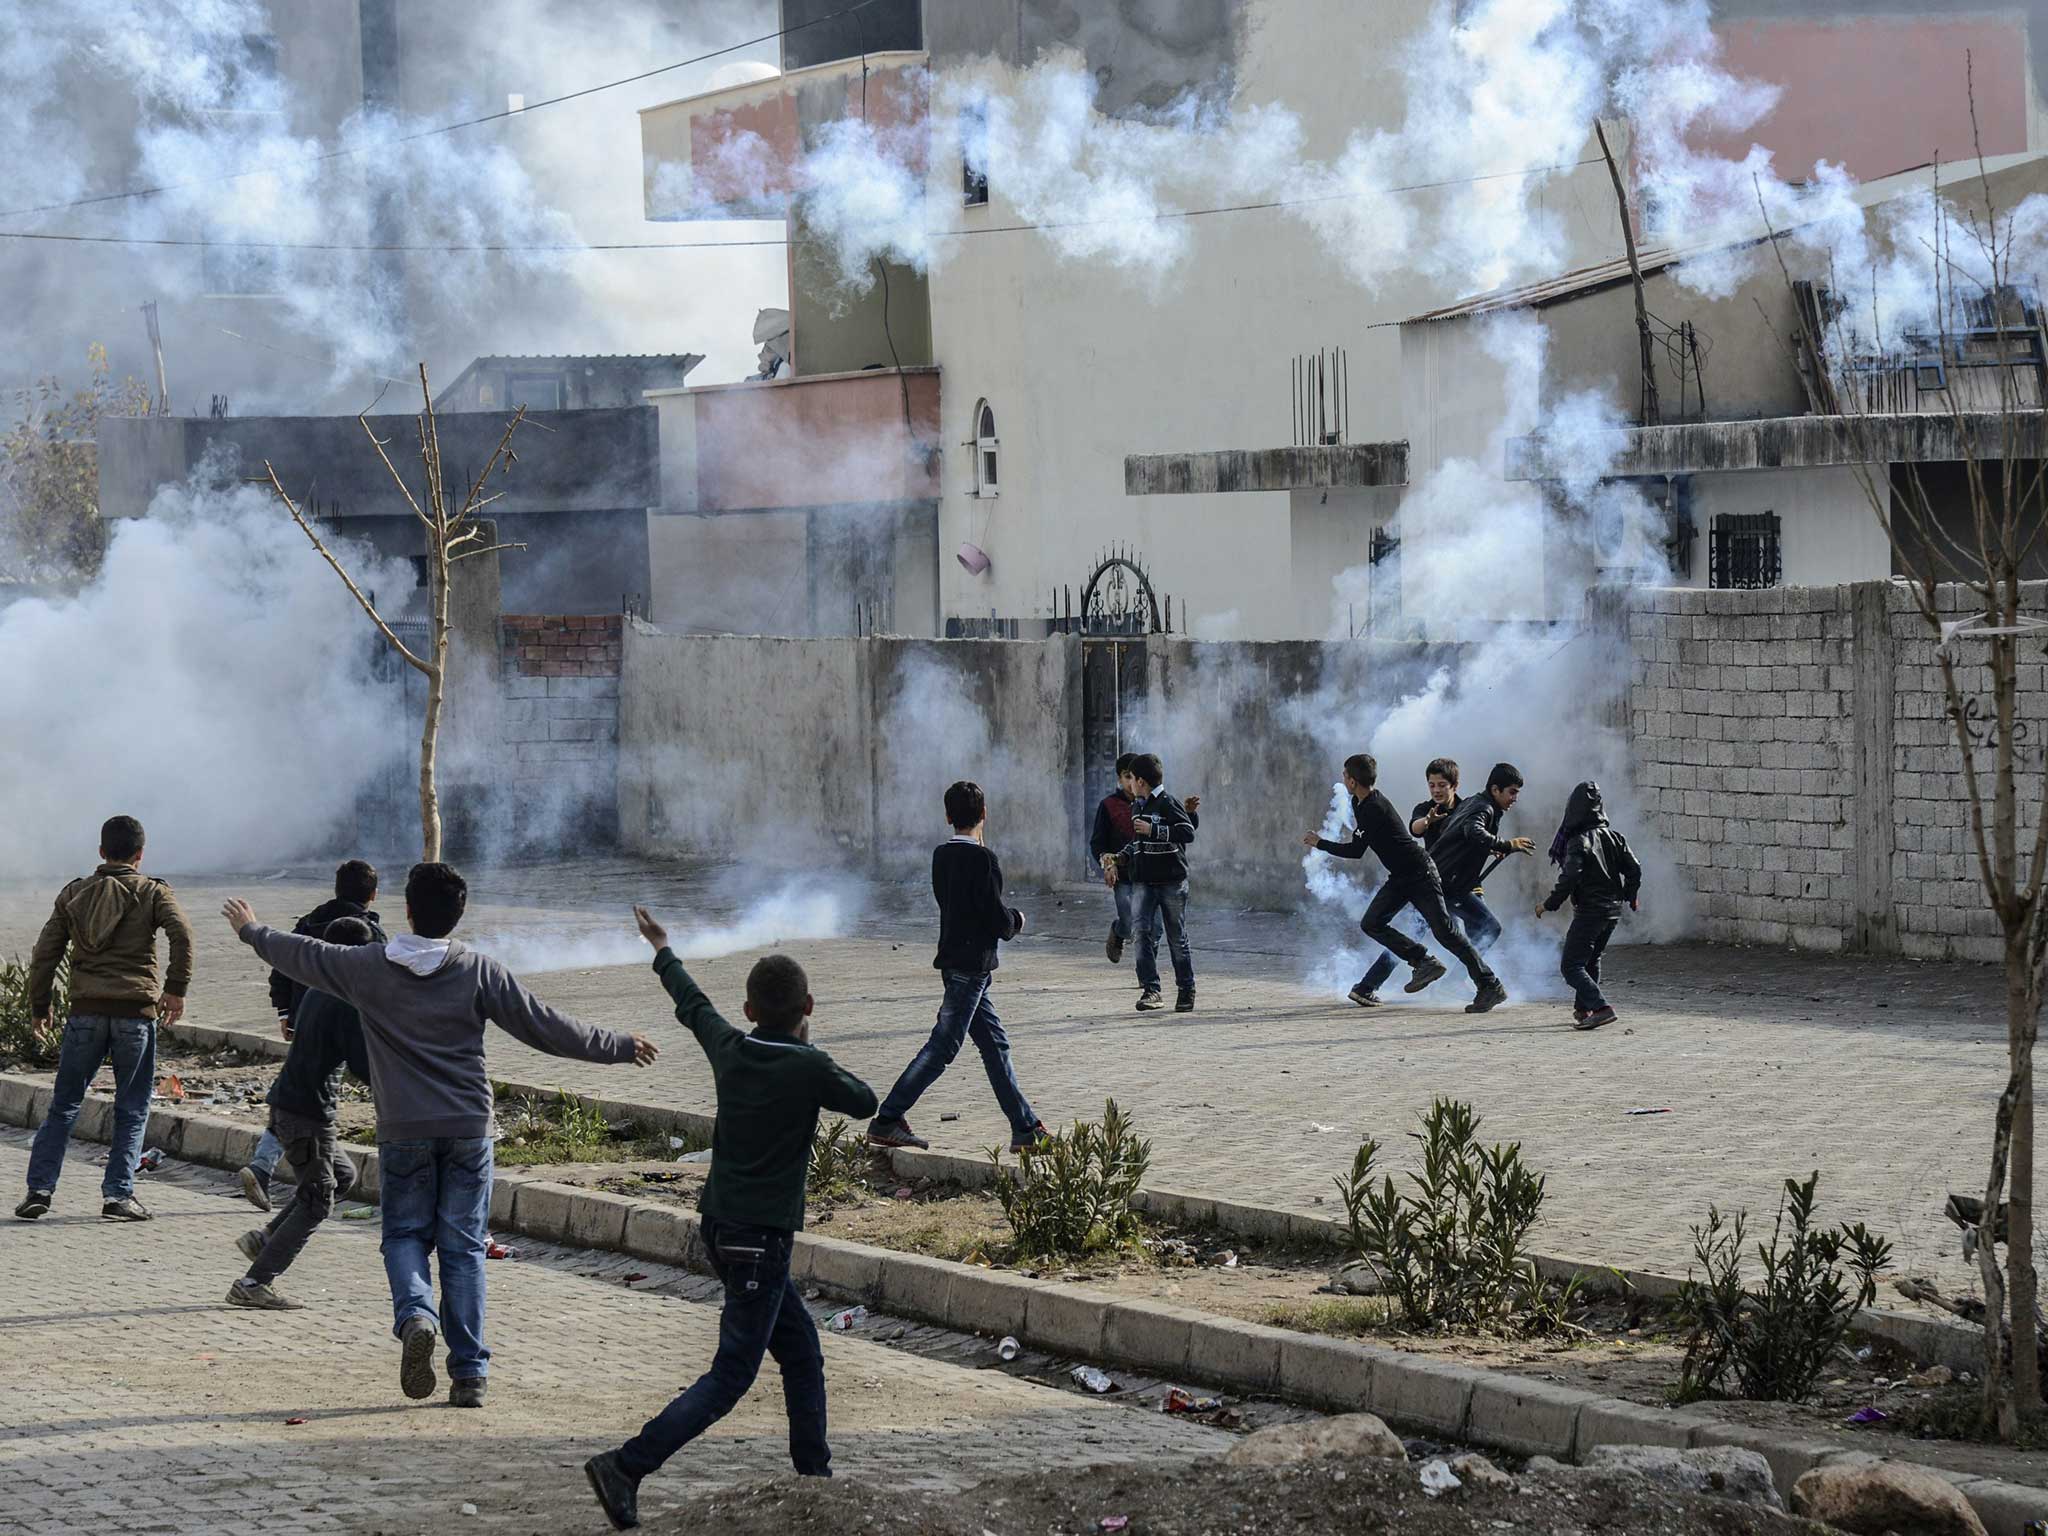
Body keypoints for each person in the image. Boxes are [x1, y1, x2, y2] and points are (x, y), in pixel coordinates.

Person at [220, 862, 659, 1408]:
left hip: (404, 1130)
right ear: (458, 915)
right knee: (464, 1249)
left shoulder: (365, 967)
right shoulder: (479, 971)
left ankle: (415, 1317)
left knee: (404, 1236)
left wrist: (249, 929)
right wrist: (617, 1045)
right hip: (469, 1130)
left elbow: (300, 955)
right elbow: (545, 1025)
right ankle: (469, 1374)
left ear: (406, 909)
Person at [583, 906, 877, 1529]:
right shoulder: (809, 1065)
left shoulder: (730, 1046)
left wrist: (662, 947)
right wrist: (808, 1044)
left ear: (748, 1011)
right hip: (759, 1239)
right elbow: (865, 1101)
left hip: (721, 1227)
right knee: (733, 1373)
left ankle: (815, 1480)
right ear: (809, 1008)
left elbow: (691, 1003)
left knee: (800, 1350)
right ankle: (626, 1465)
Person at [17, 815, 193, 1223]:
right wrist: (176, 988)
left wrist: (39, 1006)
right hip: (135, 1014)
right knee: (132, 1108)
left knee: (63, 1106)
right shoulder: (152, 892)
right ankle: (118, 1196)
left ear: (101, 852)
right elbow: (182, 933)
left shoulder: (74, 894)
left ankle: (39, 1191)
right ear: (140, 855)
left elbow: (45, 953)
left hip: (85, 1014)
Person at [867, 781, 1049, 1152]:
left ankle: (1025, 1128)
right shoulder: (984, 860)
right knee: (943, 1046)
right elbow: (995, 919)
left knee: (995, 1045)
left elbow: (955, 903)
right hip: (971, 967)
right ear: (984, 815)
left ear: (948, 817)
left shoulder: (941, 855)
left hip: (958, 963)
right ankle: (887, 1118)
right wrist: (1017, 919)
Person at [227, 915, 378, 1310]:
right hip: (307, 1113)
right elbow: (364, 1066)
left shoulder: (320, 986)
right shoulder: (346, 998)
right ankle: (254, 1282)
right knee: (318, 1201)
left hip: (293, 1106)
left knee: (343, 1176)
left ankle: (266, 1237)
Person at [1302, 753, 1507, 1014]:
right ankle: (1422, 960)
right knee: (1372, 923)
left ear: (1353, 781)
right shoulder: (1360, 803)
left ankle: (1488, 984)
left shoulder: (1376, 806)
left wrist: (1319, 843)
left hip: (1421, 874)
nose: (1342, 779)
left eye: (1345, 775)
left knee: (1446, 932)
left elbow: (1356, 851)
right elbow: (1415, 827)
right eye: (1432, 784)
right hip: (1401, 877)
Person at [238, 859, 386, 1213]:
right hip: (342, 1026)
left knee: (300, 1090)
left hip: (307, 1017)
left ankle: (269, 1169)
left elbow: (282, 965)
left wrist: (286, 1011)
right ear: (374, 895)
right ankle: (285, 1180)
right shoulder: (367, 932)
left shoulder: (308, 922)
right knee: (312, 1099)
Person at [1353, 758, 1464, 1005]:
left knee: (1481, 930)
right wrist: (1428, 821)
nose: (1436, 790)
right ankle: (1369, 985)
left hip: (1459, 885)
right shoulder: (1425, 808)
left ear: (1454, 785)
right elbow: (1415, 828)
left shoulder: (1467, 810)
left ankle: (1466, 983)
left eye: (1442, 785)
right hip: (1427, 881)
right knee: (1420, 936)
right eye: (1432, 785)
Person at [1535, 780, 1642, 1031]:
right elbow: (1634, 869)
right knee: (1591, 961)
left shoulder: (1578, 840)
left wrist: (1548, 905)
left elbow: (1570, 877)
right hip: (1612, 912)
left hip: (1590, 911)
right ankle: (1584, 1009)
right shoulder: (1616, 837)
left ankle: (1602, 1008)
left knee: (1570, 966)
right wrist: (1631, 895)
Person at [1429, 762, 1536, 959]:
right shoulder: (1484, 807)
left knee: (1412, 935)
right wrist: (1506, 844)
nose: (1515, 799)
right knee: (1489, 928)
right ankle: (1459, 979)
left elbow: (1455, 835)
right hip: (1448, 884)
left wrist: (1488, 849)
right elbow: (1473, 831)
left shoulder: (1474, 802)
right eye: (1512, 792)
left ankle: (1366, 986)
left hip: (1445, 881)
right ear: (1495, 790)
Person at [1125, 753, 1198, 1012]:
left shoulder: (1167, 802)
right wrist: (1120, 858)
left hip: (1171, 883)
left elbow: (1187, 832)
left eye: (1131, 779)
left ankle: (1186, 988)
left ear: (1142, 781)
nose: (1129, 784)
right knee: (1141, 934)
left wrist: (1155, 830)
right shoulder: (1137, 806)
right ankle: (1151, 990)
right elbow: (1136, 842)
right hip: (1143, 882)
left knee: (1176, 937)